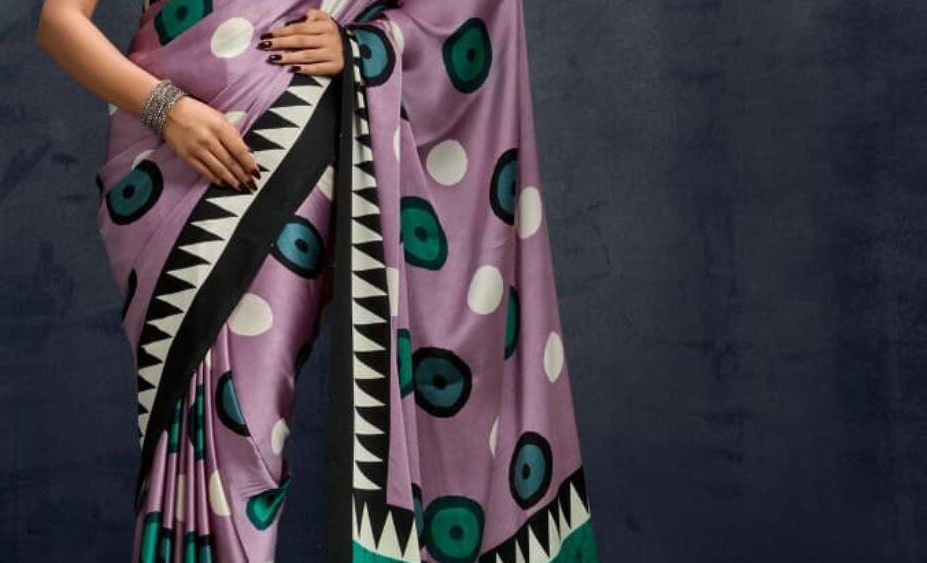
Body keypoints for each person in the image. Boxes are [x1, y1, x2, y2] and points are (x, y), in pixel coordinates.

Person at [37, 1, 599, 561]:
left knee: (239, 436)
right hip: (165, 165)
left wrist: (371, 43)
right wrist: (168, 110)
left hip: (287, 139)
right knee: (194, 431)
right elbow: (58, 23)